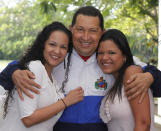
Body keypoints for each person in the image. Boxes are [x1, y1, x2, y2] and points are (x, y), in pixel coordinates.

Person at [0, 6, 161, 131]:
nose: (85, 37)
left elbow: (156, 83)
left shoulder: (110, 60)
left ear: (102, 32)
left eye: (92, 31)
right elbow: (14, 70)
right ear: (71, 30)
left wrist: (151, 76)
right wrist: (14, 72)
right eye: (80, 30)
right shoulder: (58, 56)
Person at [0, 22, 84, 131]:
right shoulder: (35, 68)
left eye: (63, 47)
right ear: (43, 44)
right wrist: (66, 101)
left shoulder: (54, 81)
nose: (57, 51)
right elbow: (28, 119)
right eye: (52, 44)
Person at [98, 29, 155, 131]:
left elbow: (143, 124)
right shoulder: (113, 81)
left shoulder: (132, 73)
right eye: (100, 53)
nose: (104, 57)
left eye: (111, 52)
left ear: (124, 56)